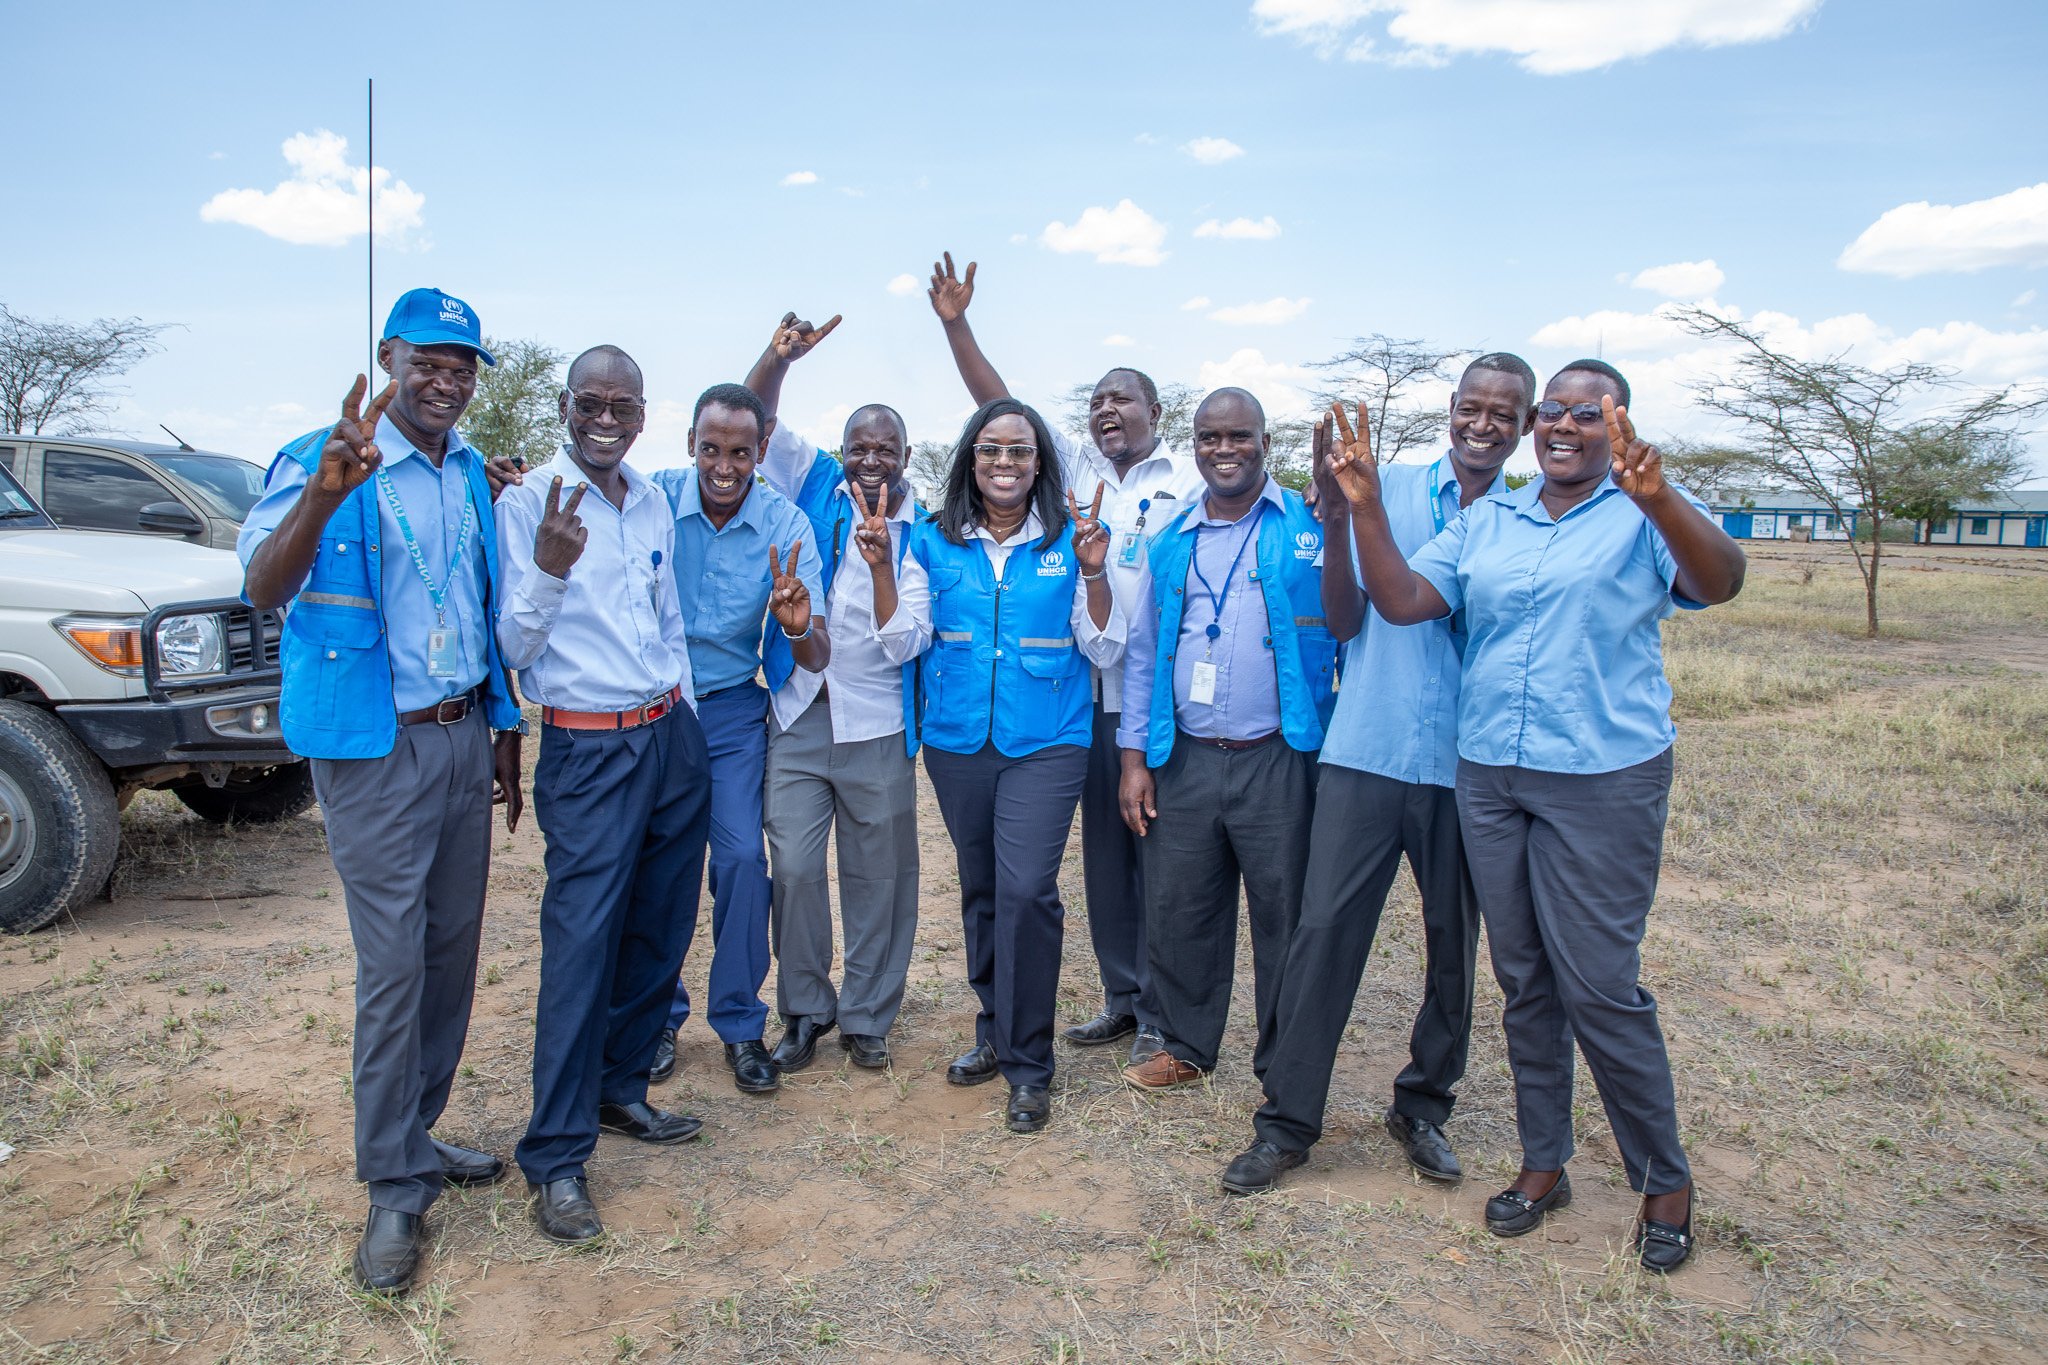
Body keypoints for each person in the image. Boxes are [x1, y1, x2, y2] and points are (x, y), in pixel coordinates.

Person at [1324, 360, 1745, 1273]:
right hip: (1491, 776)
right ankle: (1543, 1163)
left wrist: (1662, 497)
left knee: (1600, 983)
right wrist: (1361, 504)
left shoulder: (1642, 508)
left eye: (1584, 413)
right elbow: (1401, 602)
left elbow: (1720, 581)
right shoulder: (1493, 519)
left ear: (1617, 422)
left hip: (1601, 776)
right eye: (1551, 411)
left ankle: (1663, 1179)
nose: (1562, 425)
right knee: (1526, 981)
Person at [238, 287, 523, 1293]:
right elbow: (265, 588)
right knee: (394, 963)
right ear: (390, 355)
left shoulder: (470, 475)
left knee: (450, 954)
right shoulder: (327, 457)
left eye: (463, 367)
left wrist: (500, 731)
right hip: (370, 748)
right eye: (428, 361)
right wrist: (323, 495)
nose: (445, 381)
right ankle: (393, 1184)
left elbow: (480, 608)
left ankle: (418, 1131)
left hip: (458, 736)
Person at [1224, 353, 1538, 1197]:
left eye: (1504, 413)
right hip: (1365, 750)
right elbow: (1344, 617)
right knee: (1323, 932)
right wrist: (1337, 519)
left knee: (1452, 945)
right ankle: (1287, 1121)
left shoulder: (1525, 519)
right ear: (1450, 409)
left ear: (1527, 425)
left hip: (1465, 764)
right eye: (1472, 406)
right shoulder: (1385, 484)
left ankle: (1423, 1103)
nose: (1484, 424)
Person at [929, 252, 1204, 1063]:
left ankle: (1162, 1009)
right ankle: (1122, 996)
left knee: (1161, 853)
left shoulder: (1187, 481)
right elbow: (998, 409)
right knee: (1104, 861)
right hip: (1081, 693)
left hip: (1155, 695)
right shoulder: (1071, 470)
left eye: (1122, 398)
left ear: (1158, 410)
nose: (1106, 410)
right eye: (1095, 402)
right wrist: (957, 324)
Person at [494, 346, 714, 1244]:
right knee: (581, 947)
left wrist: (687, 719)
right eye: (591, 402)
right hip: (586, 750)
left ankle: (622, 1088)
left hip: (669, 735)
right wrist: (549, 565)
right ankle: (554, 1156)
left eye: (623, 404)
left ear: (641, 413)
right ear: (564, 405)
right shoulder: (525, 503)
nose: (606, 418)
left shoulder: (652, 497)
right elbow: (510, 645)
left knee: (659, 930)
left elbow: (667, 620)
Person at [871, 398, 1121, 1133]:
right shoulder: (930, 543)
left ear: (1040, 461)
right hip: (956, 742)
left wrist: (1096, 572)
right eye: (989, 451)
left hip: (1047, 741)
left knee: (1026, 889)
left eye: (1018, 450)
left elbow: (1104, 648)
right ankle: (993, 1027)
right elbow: (901, 642)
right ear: (970, 462)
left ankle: (1030, 1064)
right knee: (983, 887)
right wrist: (884, 566)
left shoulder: (1069, 540)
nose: (1004, 463)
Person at [1114, 388, 1338, 1092]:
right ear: (1195, 443)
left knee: (1286, 913)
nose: (1223, 449)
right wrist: (1134, 760)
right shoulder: (1172, 537)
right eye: (1209, 437)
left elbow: (1345, 625)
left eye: (1239, 436)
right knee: (1181, 907)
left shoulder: (1309, 522)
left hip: (1280, 753)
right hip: (1184, 755)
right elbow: (1144, 653)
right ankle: (1184, 1044)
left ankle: (1283, 1062)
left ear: (1265, 443)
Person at [739, 313, 925, 1072]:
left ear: (907, 456)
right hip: (799, 712)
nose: (870, 459)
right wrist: (777, 358)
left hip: (877, 721)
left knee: (880, 874)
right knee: (794, 867)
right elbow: (752, 418)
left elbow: (909, 639)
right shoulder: (813, 480)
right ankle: (807, 1008)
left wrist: (882, 566)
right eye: (860, 447)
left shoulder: (927, 529)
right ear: (841, 451)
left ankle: (869, 1013)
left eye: (886, 448)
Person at [649, 383, 828, 1095]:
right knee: (655, 862)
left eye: (742, 452)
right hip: (654, 701)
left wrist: (794, 624)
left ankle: (739, 1022)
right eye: (712, 448)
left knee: (740, 861)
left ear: (761, 453)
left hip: (727, 708)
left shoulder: (785, 524)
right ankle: (654, 1019)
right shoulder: (651, 499)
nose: (725, 466)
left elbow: (815, 654)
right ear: (691, 443)